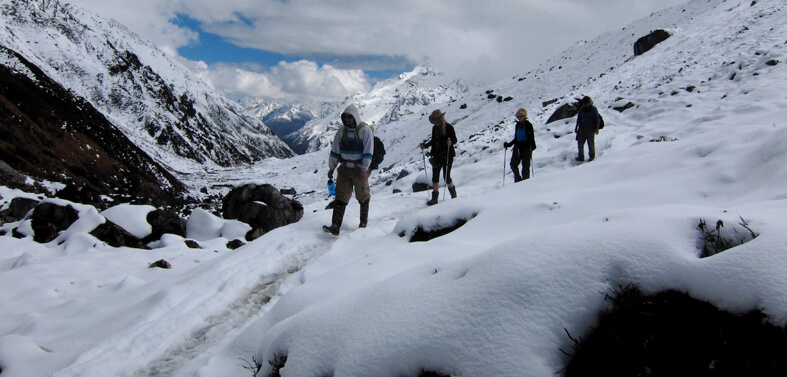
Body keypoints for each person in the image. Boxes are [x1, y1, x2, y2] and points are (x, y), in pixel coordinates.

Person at [322, 104, 374, 235]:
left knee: (363, 196)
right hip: (344, 169)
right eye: (345, 117)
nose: (348, 120)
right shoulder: (342, 131)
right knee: (340, 197)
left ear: (355, 117)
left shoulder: (365, 130)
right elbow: (335, 150)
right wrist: (331, 168)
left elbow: (368, 151)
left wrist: (364, 169)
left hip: (359, 170)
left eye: (350, 117)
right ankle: (335, 226)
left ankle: (363, 223)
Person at [419, 109, 457, 205]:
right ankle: (434, 199)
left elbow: (455, 139)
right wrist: (425, 145)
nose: (435, 124)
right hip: (437, 155)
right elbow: (433, 141)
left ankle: (453, 194)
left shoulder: (448, 127)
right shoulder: (434, 128)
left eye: (436, 122)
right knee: (435, 177)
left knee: (446, 177)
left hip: (448, 155)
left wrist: (450, 142)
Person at [504, 108, 537, 182]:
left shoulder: (528, 125)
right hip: (518, 147)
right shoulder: (517, 125)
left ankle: (525, 182)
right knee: (513, 164)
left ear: (524, 116)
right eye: (517, 117)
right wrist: (509, 144)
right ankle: (518, 180)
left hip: (526, 148)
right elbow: (516, 138)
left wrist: (530, 146)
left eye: (520, 116)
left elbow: (531, 137)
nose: (518, 118)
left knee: (525, 166)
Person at [575, 96, 600, 162]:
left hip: (591, 128)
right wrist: (576, 127)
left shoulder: (593, 109)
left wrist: (597, 129)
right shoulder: (581, 109)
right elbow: (579, 119)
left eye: (586, 103)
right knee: (580, 143)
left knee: (590, 143)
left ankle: (592, 157)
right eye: (584, 104)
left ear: (589, 103)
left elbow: (597, 119)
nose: (585, 105)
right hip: (582, 127)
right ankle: (581, 157)